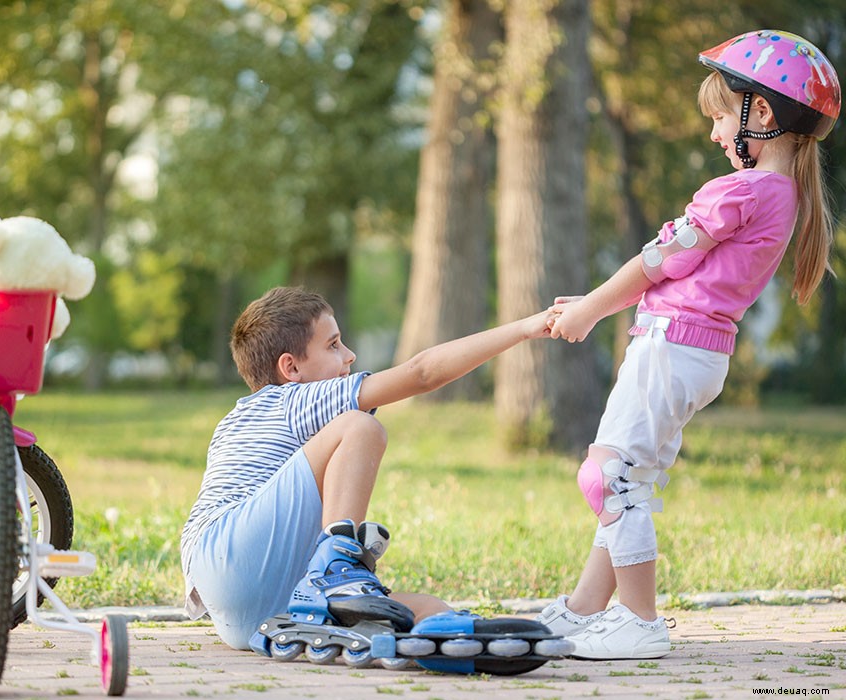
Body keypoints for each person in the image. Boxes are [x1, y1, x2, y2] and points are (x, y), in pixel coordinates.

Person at [538, 29, 840, 660]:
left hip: (670, 347)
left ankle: (639, 621)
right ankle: (585, 609)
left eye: (722, 116)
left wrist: (592, 308)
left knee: (607, 475)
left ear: (763, 114)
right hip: (694, 353)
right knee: (631, 475)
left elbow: (657, 264)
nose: (713, 134)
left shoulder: (742, 191)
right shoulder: (782, 195)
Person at [179, 286, 551, 650]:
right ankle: (336, 572)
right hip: (229, 551)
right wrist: (525, 328)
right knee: (359, 426)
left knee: (424, 610)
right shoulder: (294, 399)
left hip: (241, 608)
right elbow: (422, 373)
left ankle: (450, 638)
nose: (349, 355)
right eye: (333, 345)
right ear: (290, 367)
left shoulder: (236, 418)